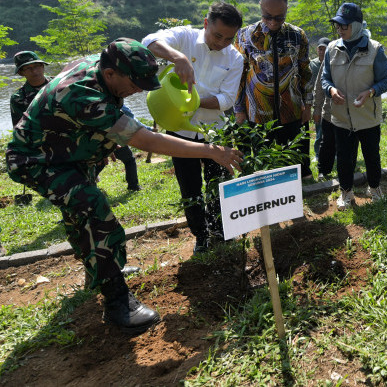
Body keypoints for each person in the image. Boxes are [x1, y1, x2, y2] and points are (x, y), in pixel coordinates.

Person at [5, 39, 244, 335]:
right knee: (93, 209)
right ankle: (117, 301)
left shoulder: (105, 60)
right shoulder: (81, 94)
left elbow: (144, 45)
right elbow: (144, 139)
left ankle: (103, 271)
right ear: (110, 74)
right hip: (39, 161)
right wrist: (210, 150)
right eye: (136, 83)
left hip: (71, 155)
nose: (140, 91)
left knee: (78, 216)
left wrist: (177, 56)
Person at [142, 1, 244, 252]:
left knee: (218, 183)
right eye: (217, 35)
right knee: (189, 187)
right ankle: (201, 235)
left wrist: (193, 101)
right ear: (206, 23)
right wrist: (177, 57)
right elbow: (147, 41)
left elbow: (227, 99)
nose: (221, 42)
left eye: (228, 38)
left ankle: (221, 231)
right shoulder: (184, 37)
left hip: (215, 132)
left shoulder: (235, 58)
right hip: (179, 130)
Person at [234, 0, 313, 177]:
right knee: (264, 161)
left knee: (297, 158)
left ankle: (302, 183)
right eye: (267, 16)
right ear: (260, 6)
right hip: (258, 110)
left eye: (279, 18)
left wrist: (308, 104)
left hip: (292, 108)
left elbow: (305, 71)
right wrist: (239, 109)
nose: (272, 22)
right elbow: (238, 76)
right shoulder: (245, 36)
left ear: (287, 10)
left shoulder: (297, 35)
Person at [322, 3, 387, 209]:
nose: (340, 30)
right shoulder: (331, 49)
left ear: (358, 25)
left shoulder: (375, 49)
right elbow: (325, 78)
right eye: (338, 26)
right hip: (341, 117)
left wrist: (370, 92)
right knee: (344, 158)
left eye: (345, 26)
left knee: (372, 155)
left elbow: (385, 80)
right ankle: (346, 193)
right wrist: (331, 91)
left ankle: (374, 187)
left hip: (367, 116)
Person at [312, 38, 336, 180]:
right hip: (323, 105)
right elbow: (317, 87)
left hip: (339, 109)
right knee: (322, 135)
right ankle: (319, 159)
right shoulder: (314, 64)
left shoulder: (333, 59)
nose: (322, 51)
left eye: (324, 48)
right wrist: (315, 108)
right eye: (320, 48)